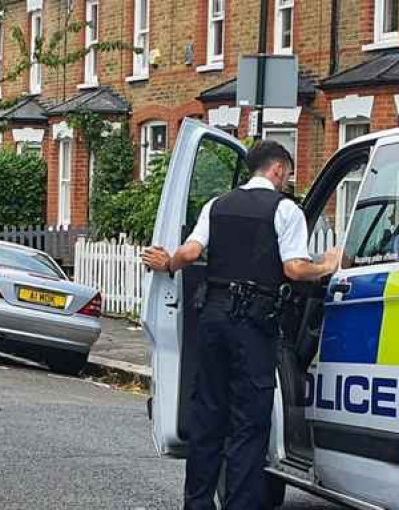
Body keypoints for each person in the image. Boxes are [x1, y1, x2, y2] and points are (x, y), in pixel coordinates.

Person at [142, 140, 341, 510]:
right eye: (288, 174)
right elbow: (294, 268)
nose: (287, 182)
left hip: (213, 318)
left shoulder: (216, 205)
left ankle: (198, 504)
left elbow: (190, 252)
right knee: (249, 424)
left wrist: (167, 264)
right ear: (278, 169)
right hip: (253, 322)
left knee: (208, 416)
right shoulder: (286, 210)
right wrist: (327, 266)